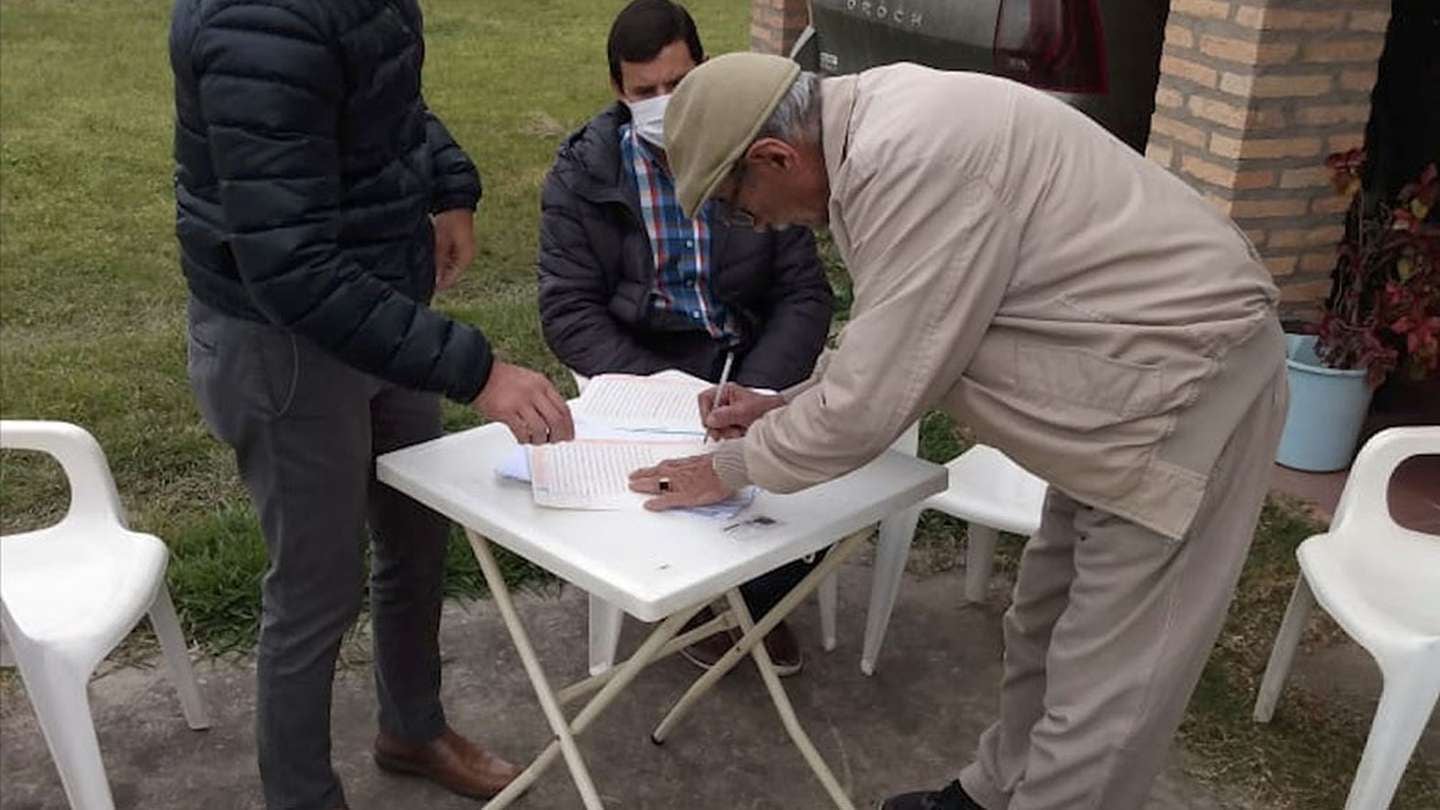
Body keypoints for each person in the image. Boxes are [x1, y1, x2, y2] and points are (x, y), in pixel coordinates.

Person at [631, 53, 1289, 810]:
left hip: (1184, 398)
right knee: (1042, 624)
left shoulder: (911, 159)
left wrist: (733, 465)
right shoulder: (871, 138)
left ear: (775, 156)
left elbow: (872, 402)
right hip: (1113, 393)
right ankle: (990, 794)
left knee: (1109, 692)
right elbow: (904, 333)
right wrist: (785, 407)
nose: (759, 224)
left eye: (740, 207)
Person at [170, 2, 574, 808]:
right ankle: (302, 795)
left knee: (415, 539)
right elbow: (289, 266)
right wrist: (478, 370)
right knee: (317, 592)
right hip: (284, 341)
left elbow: (385, 100)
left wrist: (449, 185)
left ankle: (412, 728)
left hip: (383, 306)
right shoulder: (254, 22)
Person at [537, 1, 834, 675]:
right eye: (645, 92)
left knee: (808, 466)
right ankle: (703, 595)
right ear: (618, 91)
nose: (663, 103)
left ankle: (757, 596)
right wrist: (668, 392)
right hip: (648, 366)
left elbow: (803, 292)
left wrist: (758, 386)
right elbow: (568, 311)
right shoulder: (583, 177)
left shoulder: (757, 151)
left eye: (677, 83)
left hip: (747, 358)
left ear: (704, 68)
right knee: (675, 468)